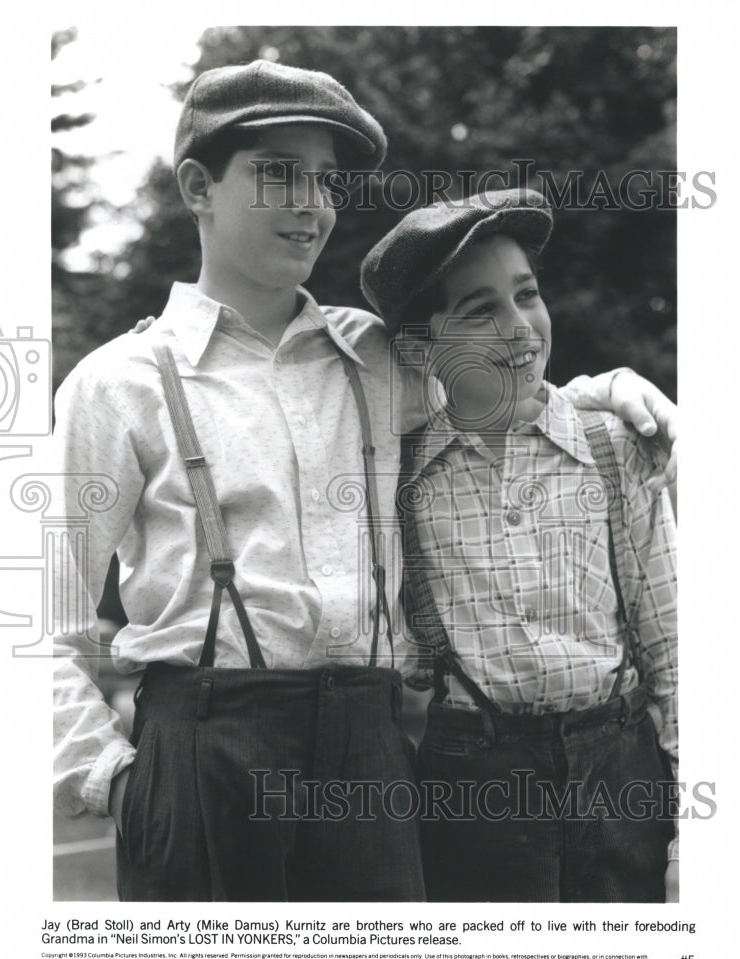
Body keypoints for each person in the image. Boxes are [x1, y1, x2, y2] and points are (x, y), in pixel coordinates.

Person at [53, 60, 678, 903]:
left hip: (368, 747)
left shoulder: (376, 356)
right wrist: (111, 778)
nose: (312, 202)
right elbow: (32, 620)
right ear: (199, 186)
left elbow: (507, 376)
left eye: (325, 180)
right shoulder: (117, 382)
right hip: (205, 744)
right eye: (279, 174)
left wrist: (608, 389)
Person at [360, 188, 678, 903]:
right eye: (480, 310)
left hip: (617, 766)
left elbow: (674, 645)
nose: (519, 327)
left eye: (527, 295)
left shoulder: (612, 447)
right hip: (471, 781)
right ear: (424, 346)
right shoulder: (398, 475)